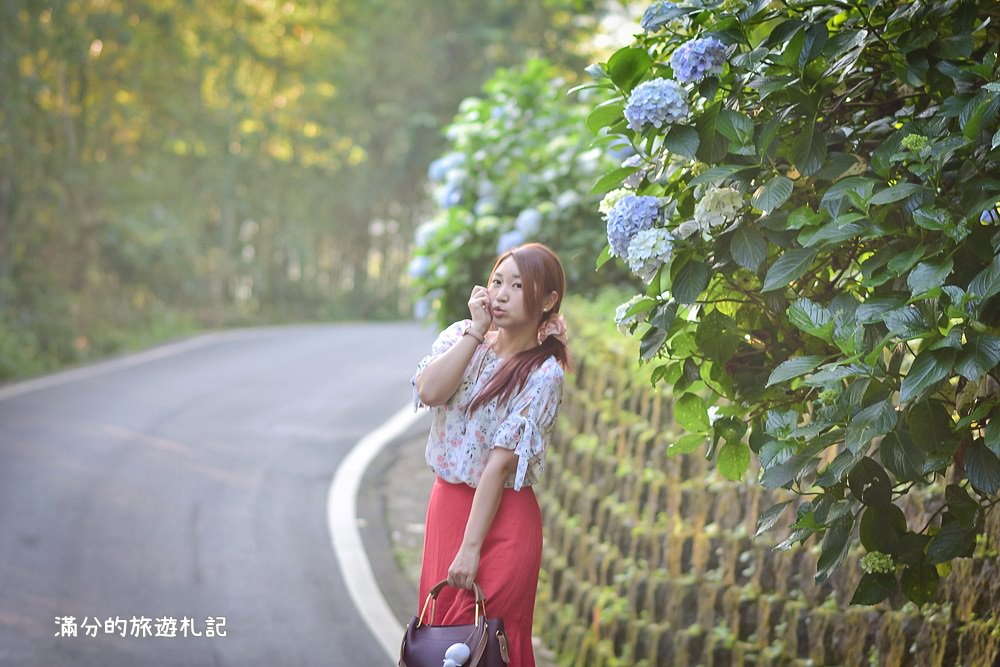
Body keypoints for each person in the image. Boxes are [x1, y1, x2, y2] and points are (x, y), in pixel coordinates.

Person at [410, 242, 572, 667]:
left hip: (501, 525)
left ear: (548, 300)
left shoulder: (544, 371)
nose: (501, 294)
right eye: (497, 281)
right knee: (441, 636)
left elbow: (500, 464)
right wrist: (476, 332)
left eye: (517, 286)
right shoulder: (462, 336)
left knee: (482, 646)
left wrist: (470, 548)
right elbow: (430, 391)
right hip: (446, 509)